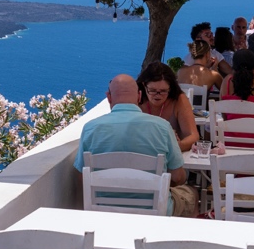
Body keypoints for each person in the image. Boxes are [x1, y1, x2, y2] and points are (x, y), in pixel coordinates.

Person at [73, 74, 197, 217]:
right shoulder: (162, 127)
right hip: (154, 211)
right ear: (139, 96)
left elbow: (82, 178)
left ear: (109, 97)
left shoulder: (90, 128)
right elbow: (177, 177)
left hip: (104, 211)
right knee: (192, 194)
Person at [137, 62, 199, 152]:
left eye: (163, 91)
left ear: (170, 88)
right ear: (144, 85)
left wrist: (177, 146)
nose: (158, 95)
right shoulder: (136, 99)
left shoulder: (179, 100)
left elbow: (193, 136)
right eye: (152, 90)